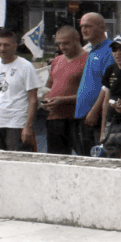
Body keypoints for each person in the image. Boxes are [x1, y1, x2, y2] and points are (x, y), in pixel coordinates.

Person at [0, 29, 40, 151]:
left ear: (15, 46)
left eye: (6, 45)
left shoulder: (26, 66)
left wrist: (28, 126)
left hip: (16, 123)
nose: (2, 48)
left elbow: (33, 99)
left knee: (17, 161)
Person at [40, 25, 87, 156]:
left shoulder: (89, 60)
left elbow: (92, 94)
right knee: (56, 160)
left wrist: (62, 100)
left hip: (77, 119)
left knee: (84, 157)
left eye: (66, 43)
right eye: (59, 43)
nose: (62, 47)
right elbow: (48, 86)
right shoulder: (57, 60)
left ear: (77, 39)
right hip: (54, 118)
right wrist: (45, 98)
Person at [75, 12, 113, 155]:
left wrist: (94, 111)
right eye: (82, 26)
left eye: (88, 26)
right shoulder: (91, 50)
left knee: (98, 157)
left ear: (101, 27)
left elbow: (107, 86)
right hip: (83, 114)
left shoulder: (110, 50)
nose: (84, 30)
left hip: (96, 117)